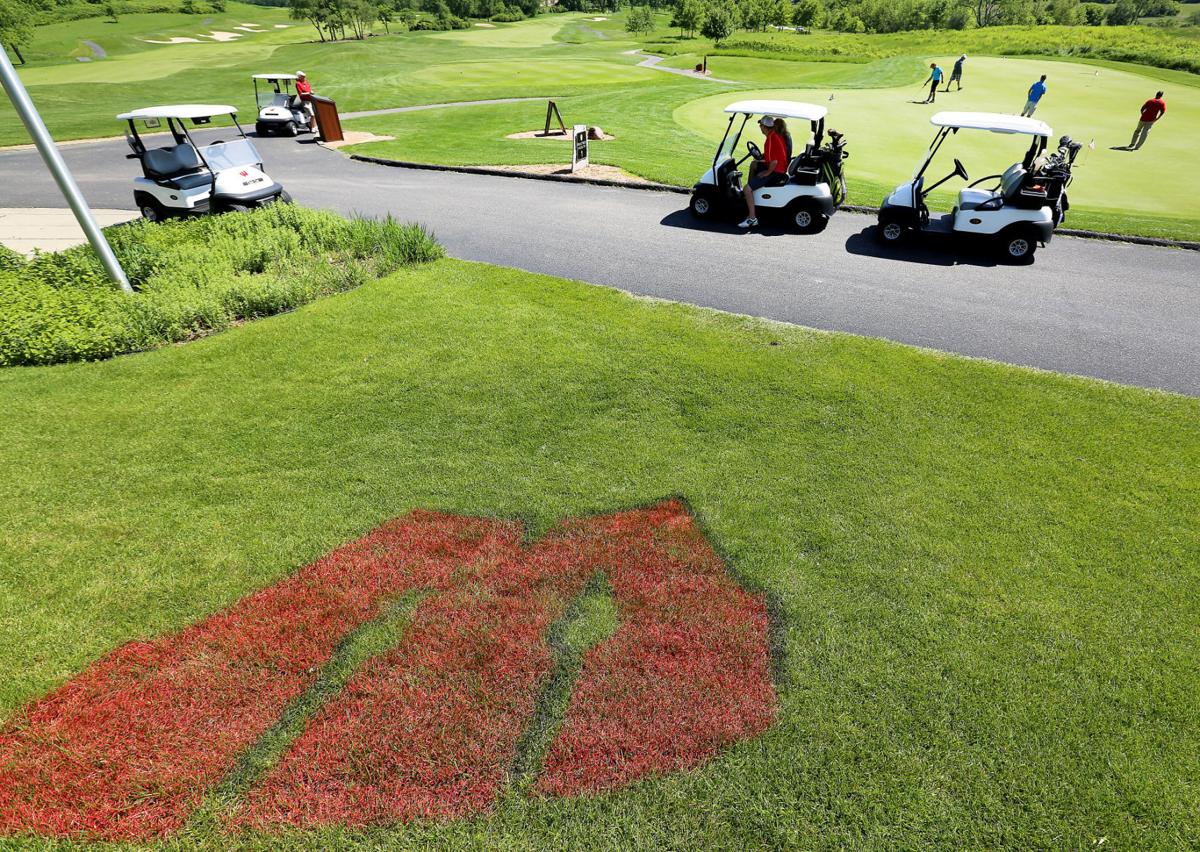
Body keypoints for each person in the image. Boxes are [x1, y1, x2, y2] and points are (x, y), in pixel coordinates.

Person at [738, 116, 788, 229]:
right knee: (754, 164)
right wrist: (762, 159)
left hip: (776, 172)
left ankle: (752, 219)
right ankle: (749, 196)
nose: (760, 127)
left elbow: (774, 161)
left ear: (765, 127)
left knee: (747, 188)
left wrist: (767, 172)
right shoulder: (774, 135)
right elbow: (771, 157)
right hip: (778, 168)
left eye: (760, 125)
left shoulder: (771, 138)